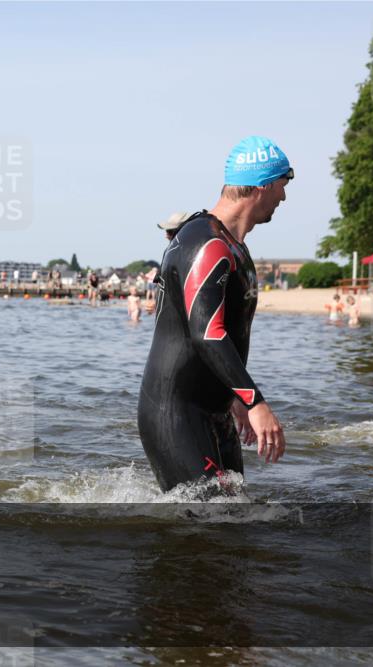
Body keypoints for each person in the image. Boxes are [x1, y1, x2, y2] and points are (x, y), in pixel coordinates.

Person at [138, 135, 289, 493]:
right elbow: (207, 332)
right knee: (206, 527)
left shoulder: (233, 246)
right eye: (282, 186)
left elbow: (224, 333)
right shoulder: (207, 244)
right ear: (262, 186)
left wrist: (234, 396)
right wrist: (255, 401)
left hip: (214, 410)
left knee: (230, 522)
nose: (283, 197)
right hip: (176, 414)